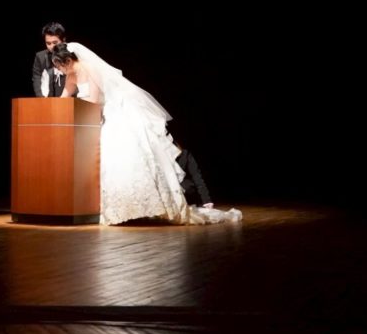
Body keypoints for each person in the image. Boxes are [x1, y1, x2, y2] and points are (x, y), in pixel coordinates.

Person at [51, 42, 240, 226]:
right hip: (91, 117)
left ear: (68, 61)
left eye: (59, 65)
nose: (58, 70)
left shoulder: (90, 69)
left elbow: (93, 102)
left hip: (107, 114)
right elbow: (63, 98)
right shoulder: (71, 76)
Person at [31, 22, 68, 98]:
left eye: (55, 42)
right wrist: (41, 98)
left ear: (63, 40)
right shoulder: (40, 57)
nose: (52, 46)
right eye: (48, 43)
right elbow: (37, 78)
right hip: (47, 98)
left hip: (69, 96)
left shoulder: (71, 55)